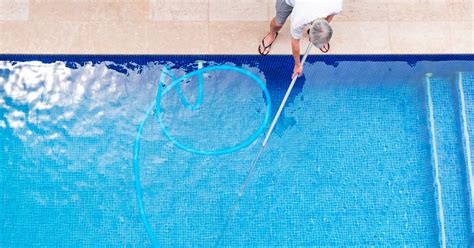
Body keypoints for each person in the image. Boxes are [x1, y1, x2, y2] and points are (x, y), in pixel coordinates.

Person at [258, 0, 343, 78]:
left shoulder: (336, 5)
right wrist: (297, 65)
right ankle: (272, 34)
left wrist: (321, 34)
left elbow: (331, 15)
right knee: (278, 23)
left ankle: (319, 33)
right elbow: (295, 42)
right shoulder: (300, 18)